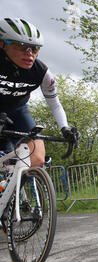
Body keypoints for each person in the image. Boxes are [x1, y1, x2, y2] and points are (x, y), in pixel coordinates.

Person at [0, 17, 78, 167]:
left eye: (35, 48)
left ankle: (13, 186)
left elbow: (54, 104)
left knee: (37, 159)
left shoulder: (41, 72)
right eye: (22, 47)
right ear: (2, 44)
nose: (30, 54)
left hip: (17, 112)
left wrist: (65, 128)